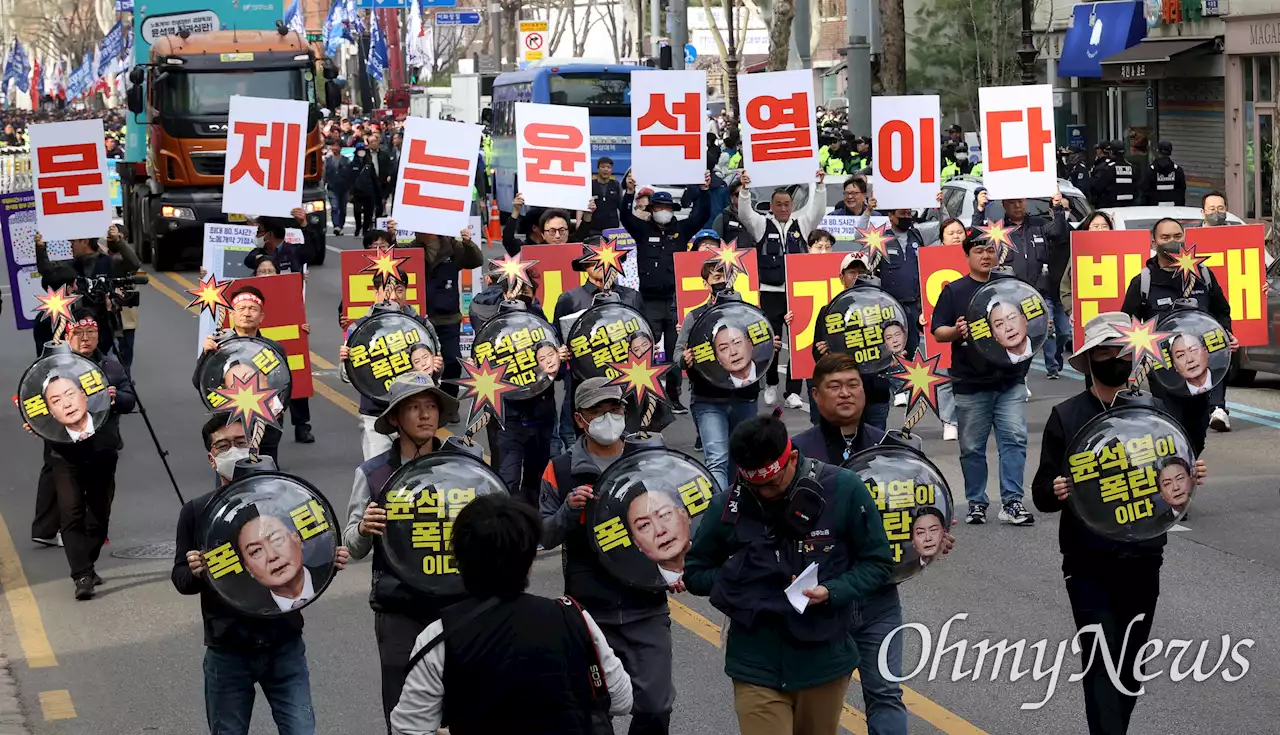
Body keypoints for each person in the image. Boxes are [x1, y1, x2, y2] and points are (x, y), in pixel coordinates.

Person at [1031, 312, 1208, 735]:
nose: (1115, 359)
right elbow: (1040, 493)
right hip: (1086, 560)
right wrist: (1055, 489)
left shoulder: (1153, 412)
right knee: (1100, 660)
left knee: (1129, 665)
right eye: (1106, 352)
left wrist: (1188, 476)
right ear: (1090, 359)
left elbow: (1177, 471)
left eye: (1121, 351)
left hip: (1144, 557)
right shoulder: (1066, 415)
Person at [684, 415, 894, 735]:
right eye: (755, 486)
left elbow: (878, 564)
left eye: (772, 483)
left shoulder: (844, 489)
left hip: (823, 660)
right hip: (755, 663)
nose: (765, 493)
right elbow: (695, 572)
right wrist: (738, 580)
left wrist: (833, 591)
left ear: (792, 458)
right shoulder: (728, 506)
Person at [391, 494, 634, 734]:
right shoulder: (574, 617)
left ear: (459, 560)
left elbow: (409, 730)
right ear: (528, 561)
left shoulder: (438, 637)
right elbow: (622, 701)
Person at [176, 415, 350, 735]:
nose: (235, 451)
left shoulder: (282, 499)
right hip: (227, 651)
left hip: (284, 644)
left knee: (301, 729)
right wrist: (195, 570)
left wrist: (331, 563)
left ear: (254, 445)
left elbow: (310, 557)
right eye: (223, 446)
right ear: (212, 459)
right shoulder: (197, 512)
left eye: (241, 442)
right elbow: (181, 579)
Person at [540, 377, 675, 735]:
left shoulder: (648, 461)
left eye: (614, 408)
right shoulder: (561, 469)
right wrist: (569, 511)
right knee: (592, 710)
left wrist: (678, 568)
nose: (607, 417)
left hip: (646, 604)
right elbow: (545, 534)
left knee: (657, 705)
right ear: (580, 419)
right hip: (589, 609)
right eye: (596, 411)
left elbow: (678, 522)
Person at [343, 372, 467, 732]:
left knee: (461, 704)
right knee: (403, 711)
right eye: (414, 407)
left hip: (458, 604)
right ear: (395, 418)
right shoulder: (373, 474)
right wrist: (365, 528)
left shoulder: (461, 466)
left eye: (431, 406)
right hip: (399, 606)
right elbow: (353, 546)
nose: (425, 415)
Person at [26, 310, 135, 599]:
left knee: (99, 516)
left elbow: (129, 399)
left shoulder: (111, 366)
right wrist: (33, 422)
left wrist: (115, 397)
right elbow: (34, 406)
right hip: (64, 455)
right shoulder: (51, 369)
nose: (85, 339)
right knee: (71, 513)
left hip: (102, 451)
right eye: (78, 333)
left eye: (91, 332)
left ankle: (86, 562)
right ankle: (82, 576)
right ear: (66, 336)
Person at [931, 234, 1036, 526]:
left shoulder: (1011, 289)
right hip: (970, 382)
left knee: (1014, 440)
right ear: (967, 256)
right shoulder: (954, 290)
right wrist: (955, 331)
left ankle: (1013, 502)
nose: (986, 256)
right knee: (972, 447)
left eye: (991, 250)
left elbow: (1034, 322)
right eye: (979, 250)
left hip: (1010, 380)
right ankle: (976, 502)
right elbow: (938, 331)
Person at [1120, 218, 1236, 455]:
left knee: (1196, 436)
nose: (1172, 242)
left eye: (1177, 236)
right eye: (1165, 237)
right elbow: (1127, 322)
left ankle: (1186, 471)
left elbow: (1221, 311)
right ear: (1154, 242)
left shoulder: (1203, 275)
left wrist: (1226, 334)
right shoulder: (1144, 282)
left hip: (1200, 372)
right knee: (1170, 433)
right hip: (1165, 375)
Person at [620, 172, 713, 414]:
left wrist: (704, 190)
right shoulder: (641, 229)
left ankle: (673, 397)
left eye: (667, 207)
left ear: (672, 209)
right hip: (649, 300)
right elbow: (625, 216)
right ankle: (643, 396)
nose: (663, 210)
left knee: (674, 351)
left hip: (675, 300)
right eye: (659, 206)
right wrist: (629, 193)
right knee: (643, 348)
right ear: (651, 209)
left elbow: (702, 215)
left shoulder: (681, 230)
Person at [735, 169, 827, 408]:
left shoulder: (802, 224)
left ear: (792, 205)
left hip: (797, 293)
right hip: (769, 292)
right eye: (779, 204)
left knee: (797, 342)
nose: (784, 208)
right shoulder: (761, 225)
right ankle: (772, 382)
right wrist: (744, 189)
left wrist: (819, 185)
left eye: (787, 204)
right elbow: (745, 213)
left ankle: (793, 392)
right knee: (771, 340)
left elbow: (816, 209)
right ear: (772, 206)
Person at [551, 239, 646, 454]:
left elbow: (645, 334)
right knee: (584, 444)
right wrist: (560, 353)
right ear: (585, 267)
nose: (603, 266)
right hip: (583, 383)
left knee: (627, 443)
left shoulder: (631, 297)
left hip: (625, 383)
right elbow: (557, 338)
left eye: (608, 260)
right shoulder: (570, 299)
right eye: (595, 261)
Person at [676, 261, 765, 490]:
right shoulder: (695, 317)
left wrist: (770, 346)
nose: (722, 282)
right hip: (708, 400)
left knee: (744, 460)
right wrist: (684, 359)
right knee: (717, 460)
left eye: (726, 276)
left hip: (745, 398)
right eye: (716, 278)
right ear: (705, 283)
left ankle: (742, 509)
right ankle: (722, 514)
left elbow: (763, 350)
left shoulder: (751, 314)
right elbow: (677, 354)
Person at [972, 188, 1070, 378]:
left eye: (1021, 201)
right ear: (1004, 204)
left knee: (1062, 332)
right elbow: (975, 240)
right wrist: (979, 210)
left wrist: (1057, 207)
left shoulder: (1038, 224)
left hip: (1040, 293)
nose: (1018, 206)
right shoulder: (996, 229)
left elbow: (1059, 232)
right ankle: (1020, 376)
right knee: (1023, 336)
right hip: (1011, 296)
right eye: (1013, 202)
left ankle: (1054, 359)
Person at [339, 273, 434, 460]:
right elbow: (346, 376)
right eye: (386, 290)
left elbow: (436, 372)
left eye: (399, 290)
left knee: (416, 474)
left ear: (406, 292)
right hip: (375, 414)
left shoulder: (422, 325)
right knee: (379, 475)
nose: (393, 296)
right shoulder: (359, 329)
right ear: (376, 293)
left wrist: (436, 366)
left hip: (413, 410)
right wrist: (345, 362)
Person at [195, 286, 295, 459]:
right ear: (231, 315)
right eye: (241, 309)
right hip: (228, 425)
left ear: (261, 316)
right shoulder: (219, 347)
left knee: (266, 476)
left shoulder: (274, 349)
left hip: (265, 426)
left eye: (252, 309)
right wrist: (205, 355)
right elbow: (199, 382)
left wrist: (277, 411)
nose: (247, 313)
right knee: (230, 477)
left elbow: (285, 385)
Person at [807, 253, 893, 432]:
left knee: (873, 448)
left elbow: (900, 343)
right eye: (852, 272)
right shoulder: (829, 311)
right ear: (841, 277)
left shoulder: (885, 308)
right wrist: (822, 352)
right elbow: (817, 353)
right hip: (843, 395)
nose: (857, 277)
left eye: (862, 272)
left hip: (876, 391)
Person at [413, 228, 483, 399]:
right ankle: (424, 399)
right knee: (420, 361)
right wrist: (392, 235)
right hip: (420, 317)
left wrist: (468, 244)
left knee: (452, 360)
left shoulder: (453, 247)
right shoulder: (411, 248)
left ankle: (449, 399)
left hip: (448, 316)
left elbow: (475, 261)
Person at [1199, 191, 1235, 432]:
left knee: (1219, 355)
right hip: (1197, 309)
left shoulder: (1240, 237)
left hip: (1227, 310)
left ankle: (1217, 407)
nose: (1216, 212)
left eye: (1220, 208)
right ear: (1202, 212)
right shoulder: (1190, 240)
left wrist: (1262, 283)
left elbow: (1262, 266)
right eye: (1211, 208)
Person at [1059, 211, 1116, 318]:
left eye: (1104, 226)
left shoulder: (1122, 252)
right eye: (1096, 226)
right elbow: (1065, 288)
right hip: (1088, 314)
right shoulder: (1079, 253)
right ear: (1087, 229)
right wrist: (1072, 311)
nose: (1100, 229)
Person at [1091, 140, 1137, 208]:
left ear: (1111, 152)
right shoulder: (1132, 168)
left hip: (1111, 208)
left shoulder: (1107, 168)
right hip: (1129, 207)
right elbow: (1137, 188)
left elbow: (1097, 188)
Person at [1141, 141, 1186, 206]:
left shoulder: (1151, 170)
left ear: (1158, 151)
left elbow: (1145, 191)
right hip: (1173, 210)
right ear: (1170, 152)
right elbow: (1181, 192)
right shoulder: (1178, 170)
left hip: (1154, 210)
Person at [351, 142, 382, 236]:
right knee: (357, 211)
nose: (361, 152)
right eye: (360, 150)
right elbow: (348, 179)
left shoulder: (369, 164)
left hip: (369, 192)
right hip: (357, 193)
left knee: (368, 213)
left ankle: (365, 229)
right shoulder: (352, 164)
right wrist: (350, 192)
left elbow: (375, 180)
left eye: (363, 150)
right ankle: (358, 226)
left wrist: (378, 194)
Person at [324, 139, 353, 235]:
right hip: (332, 187)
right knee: (334, 207)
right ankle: (336, 226)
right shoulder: (327, 160)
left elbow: (350, 175)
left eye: (337, 146)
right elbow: (324, 175)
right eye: (333, 146)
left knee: (343, 208)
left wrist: (351, 189)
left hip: (344, 188)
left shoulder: (346, 160)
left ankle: (341, 225)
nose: (335, 148)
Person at [590, 156, 623, 234]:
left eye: (608, 167)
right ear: (598, 169)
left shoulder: (616, 185)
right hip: (594, 228)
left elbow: (622, 206)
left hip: (612, 228)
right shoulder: (591, 185)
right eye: (603, 167)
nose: (606, 169)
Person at [711, 176, 747, 245]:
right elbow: (715, 244)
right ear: (731, 198)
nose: (743, 197)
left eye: (745, 193)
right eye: (738, 194)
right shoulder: (722, 218)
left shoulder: (757, 218)